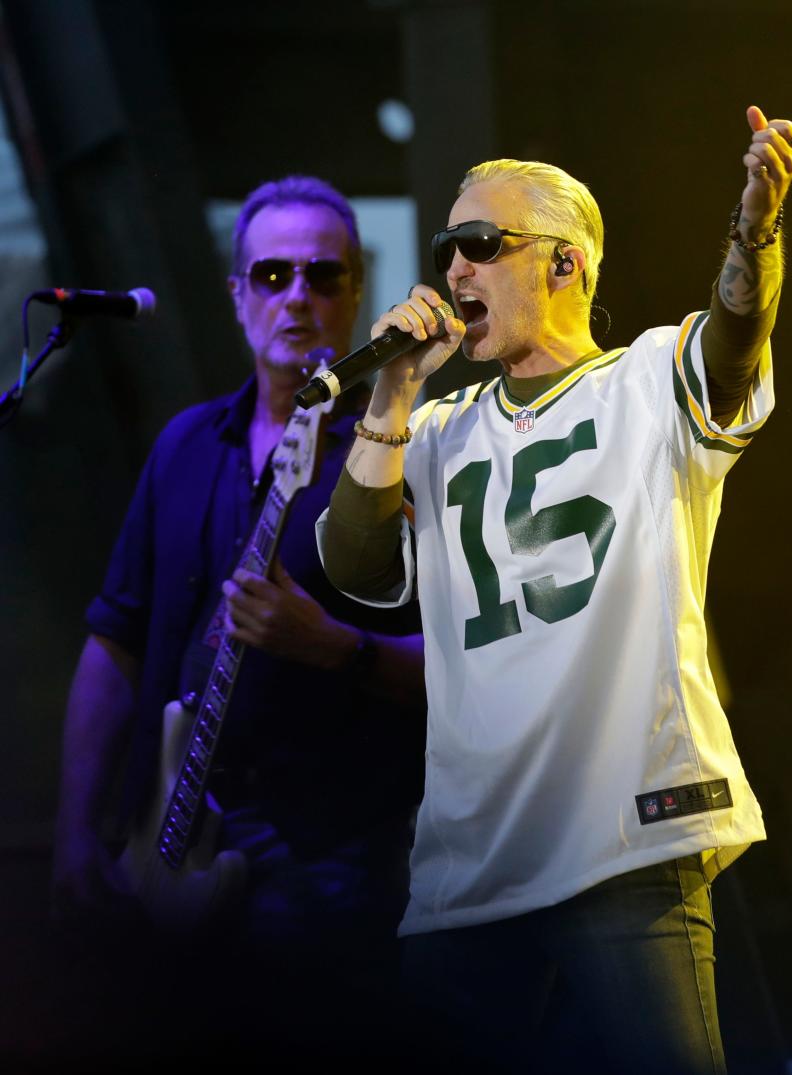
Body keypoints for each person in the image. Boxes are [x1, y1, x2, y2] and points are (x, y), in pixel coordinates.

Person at [319, 106, 792, 1073]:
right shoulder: (442, 427)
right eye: (449, 247)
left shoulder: (648, 382)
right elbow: (354, 568)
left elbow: (737, 332)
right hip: (470, 865)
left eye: (480, 244)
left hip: (622, 841)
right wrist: (391, 397)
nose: (453, 269)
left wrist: (755, 225)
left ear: (564, 265)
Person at [51, 175, 426, 1063]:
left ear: (356, 290)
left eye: (322, 277)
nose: (296, 296)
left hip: (335, 861)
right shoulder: (185, 444)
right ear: (236, 293)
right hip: (166, 843)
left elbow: (470, 668)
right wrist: (76, 827)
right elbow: (117, 643)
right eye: (270, 276)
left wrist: (335, 646)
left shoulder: (402, 455)